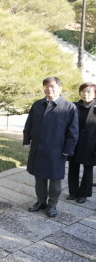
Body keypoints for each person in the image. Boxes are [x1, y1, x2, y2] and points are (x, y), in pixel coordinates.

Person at [23, 76, 79, 218]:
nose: (49, 89)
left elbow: (73, 132)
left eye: (52, 86)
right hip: (38, 148)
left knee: (55, 181)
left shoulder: (69, 107)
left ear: (60, 88)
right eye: (46, 86)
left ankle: (52, 205)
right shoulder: (37, 104)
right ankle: (40, 202)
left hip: (57, 150)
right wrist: (27, 139)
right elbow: (29, 123)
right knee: (39, 178)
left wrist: (68, 150)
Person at [67, 82, 96, 204]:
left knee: (87, 170)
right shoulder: (74, 106)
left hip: (90, 144)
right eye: (83, 91)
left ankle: (83, 194)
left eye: (89, 92)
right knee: (73, 168)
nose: (86, 94)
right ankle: (73, 192)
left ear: (94, 94)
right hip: (75, 142)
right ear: (80, 93)